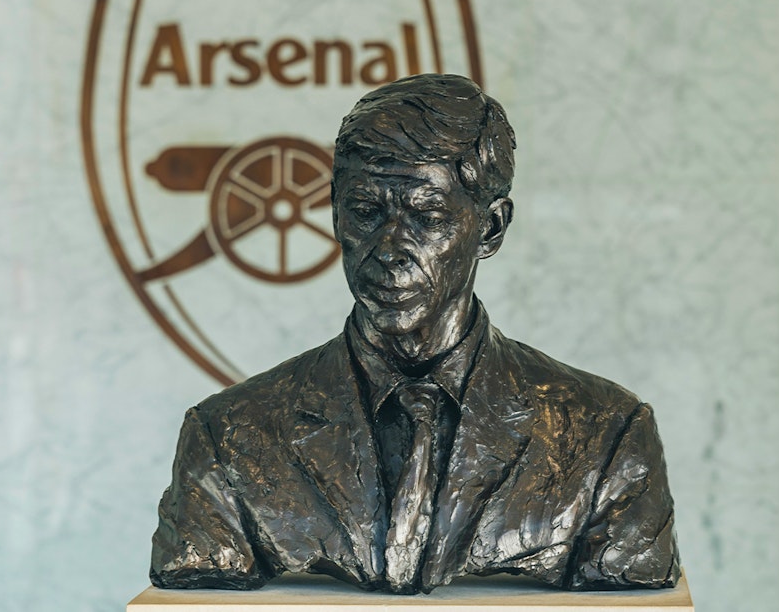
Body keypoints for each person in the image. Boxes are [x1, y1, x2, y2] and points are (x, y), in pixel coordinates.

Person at [150, 74, 679, 594]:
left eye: (427, 216)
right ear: (335, 214)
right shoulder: (228, 437)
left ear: (490, 228)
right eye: (364, 212)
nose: (387, 249)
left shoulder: (606, 436)